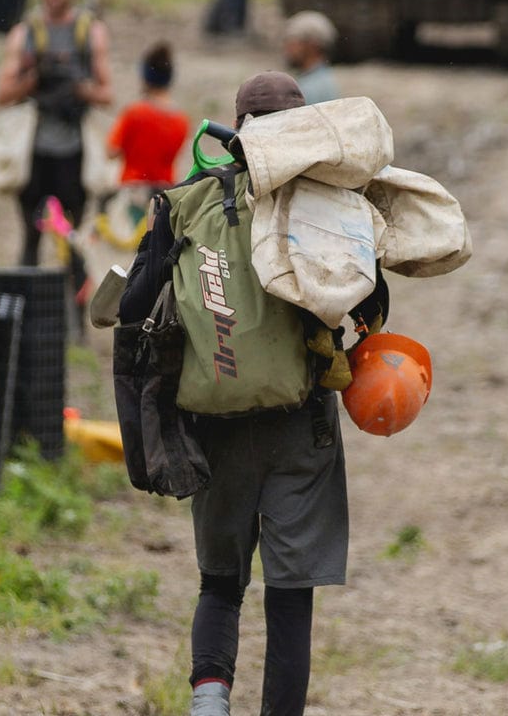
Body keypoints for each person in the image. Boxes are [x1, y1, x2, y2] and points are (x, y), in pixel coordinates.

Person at [120, 72, 349, 716]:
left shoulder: (185, 202)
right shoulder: (325, 205)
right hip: (300, 426)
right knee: (290, 591)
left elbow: (135, 305)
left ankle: (210, 704)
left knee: (220, 583)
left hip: (213, 424)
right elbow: (366, 299)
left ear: (238, 126)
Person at [0, 0, 113, 294]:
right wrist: (34, 78)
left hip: (73, 150)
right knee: (31, 234)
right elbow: (2, 94)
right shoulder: (25, 34)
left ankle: (75, 318)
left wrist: (77, 87)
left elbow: (107, 93)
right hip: (35, 149)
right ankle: (25, 306)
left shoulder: (90, 33)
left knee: (73, 237)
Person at [106, 42, 190, 188]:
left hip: (132, 190)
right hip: (164, 193)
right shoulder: (181, 120)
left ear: (145, 76)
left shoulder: (134, 113)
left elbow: (111, 152)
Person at [283, 10, 340, 105]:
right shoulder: (322, 81)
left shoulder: (311, 89)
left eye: (293, 42)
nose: (287, 49)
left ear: (312, 45)